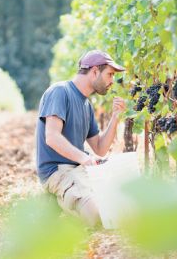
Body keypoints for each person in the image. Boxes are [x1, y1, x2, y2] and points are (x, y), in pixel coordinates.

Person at [36, 50, 126, 227]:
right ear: (94, 72)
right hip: (57, 171)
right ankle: (57, 200)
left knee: (117, 209)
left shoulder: (87, 105)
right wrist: (86, 159)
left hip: (80, 170)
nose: (112, 81)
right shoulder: (60, 92)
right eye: (109, 74)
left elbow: (99, 148)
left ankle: (67, 198)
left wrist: (115, 117)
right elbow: (52, 137)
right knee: (97, 218)